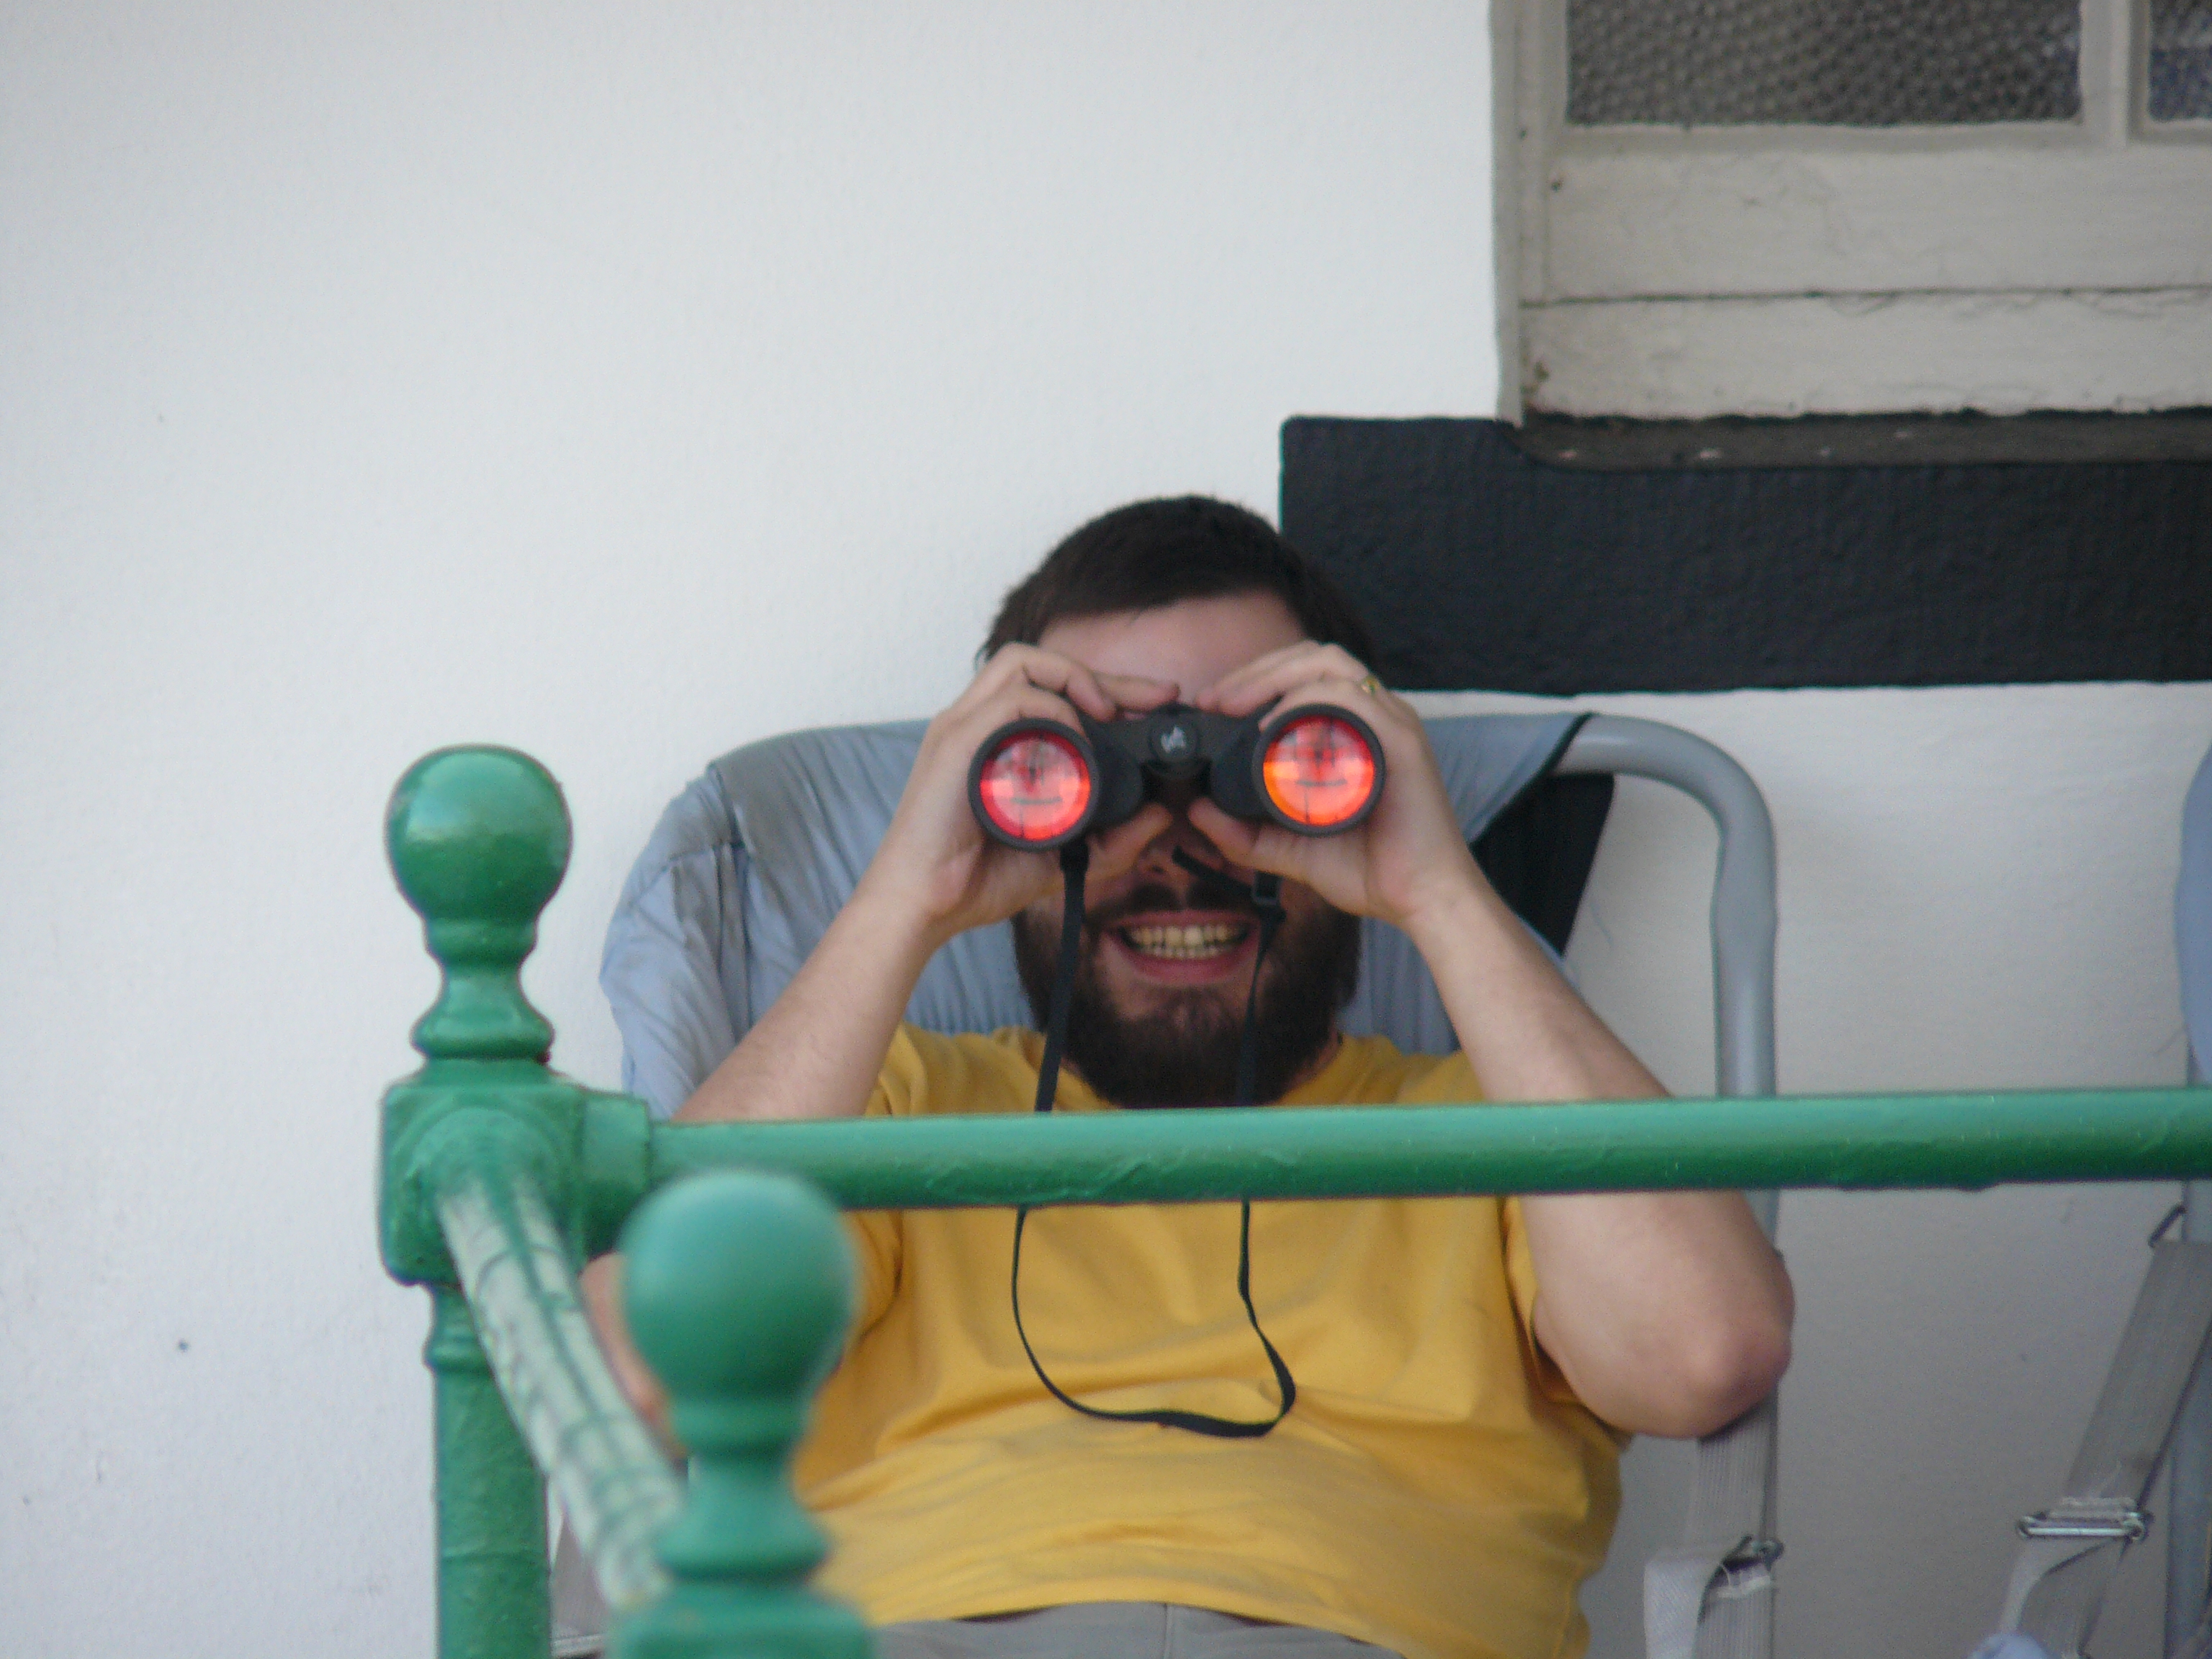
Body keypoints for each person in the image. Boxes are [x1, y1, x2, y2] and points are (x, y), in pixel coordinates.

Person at [586, 497, 1794, 1659]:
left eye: (1246, 765)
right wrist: (909, 895)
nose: (1176, 853)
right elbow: (637, 1375)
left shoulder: (1511, 1130)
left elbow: (1702, 1356)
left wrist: (1436, 888)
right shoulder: (884, 1106)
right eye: (1100, 765)